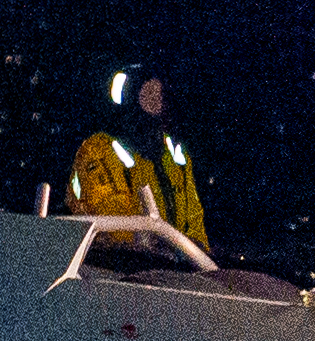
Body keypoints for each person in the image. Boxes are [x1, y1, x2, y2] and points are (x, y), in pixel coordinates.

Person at [66, 65, 209, 252]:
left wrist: (199, 253)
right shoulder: (98, 151)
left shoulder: (175, 155)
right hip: (115, 270)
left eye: (161, 96)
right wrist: (156, 251)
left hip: (179, 271)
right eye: (150, 96)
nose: (159, 105)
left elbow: (194, 218)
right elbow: (113, 221)